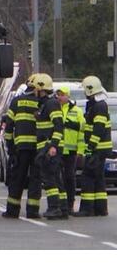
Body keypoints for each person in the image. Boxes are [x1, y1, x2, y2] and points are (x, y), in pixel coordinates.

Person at [3, 73, 45, 218]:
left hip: (21, 148)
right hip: (38, 148)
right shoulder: (41, 103)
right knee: (35, 179)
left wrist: (11, 148)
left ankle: (12, 210)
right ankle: (33, 211)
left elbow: (8, 127)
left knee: (18, 179)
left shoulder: (16, 102)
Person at [73, 75, 112, 217]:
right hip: (99, 148)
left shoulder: (99, 106)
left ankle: (87, 208)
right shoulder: (96, 104)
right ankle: (100, 208)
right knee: (98, 178)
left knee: (88, 176)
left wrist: (91, 146)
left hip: (97, 148)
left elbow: (98, 128)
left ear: (89, 89)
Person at [29, 74, 66, 220]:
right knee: (56, 178)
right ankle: (62, 208)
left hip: (49, 147)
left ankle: (54, 208)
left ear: (41, 89)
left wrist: (53, 146)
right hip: (47, 146)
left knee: (49, 178)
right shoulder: (46, 104)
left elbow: (59, 125)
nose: (34, 92)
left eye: (35, 89)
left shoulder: (51, 104)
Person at [55, 87, 85, 217]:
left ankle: (69, 204)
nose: (60, 97)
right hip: (57, 149)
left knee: (69, 178)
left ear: (68, 96)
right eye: (58, 95)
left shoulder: (77, 111)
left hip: (71, 151)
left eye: (62, 95)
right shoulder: (55, 109)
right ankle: (60, 205)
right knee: (57, 178)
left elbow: (81, 133)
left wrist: (81, 150)